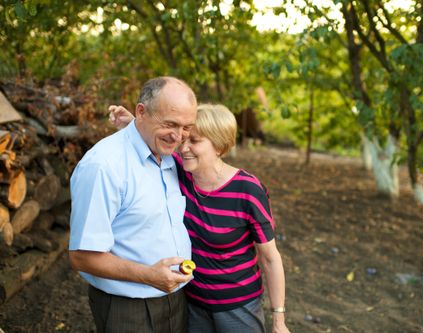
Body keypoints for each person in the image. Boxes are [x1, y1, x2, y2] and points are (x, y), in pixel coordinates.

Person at [110, 103, 291, 333]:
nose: (184, 147)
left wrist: (279, 319)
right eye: (183, 139)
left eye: (194, 141)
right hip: (192, 302)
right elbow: (150, 141)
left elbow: (270, 258)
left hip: (238, 306)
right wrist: (134, 123)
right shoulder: (178, 172)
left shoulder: (248, 189)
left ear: (219, 146)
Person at [69, 76, 198, 333]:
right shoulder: (103, 167)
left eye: (186, 127)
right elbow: (82, 257)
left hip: (176, 298)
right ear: (141, 112)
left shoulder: (169, 154)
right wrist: (149, 275)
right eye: (170, 124)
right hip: (128, 307)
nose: (178, 136)